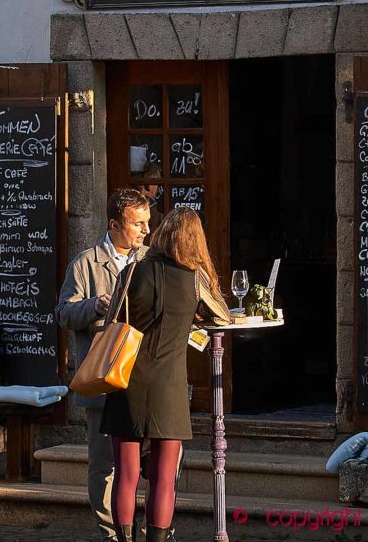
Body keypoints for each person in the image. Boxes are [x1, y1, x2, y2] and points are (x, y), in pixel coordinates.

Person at [102, 207, 230, 542]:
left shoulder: (132, 271)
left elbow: (109, 324)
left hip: (126, 379)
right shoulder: (194, 278)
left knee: (126, 475)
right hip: (169, 385)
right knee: (163, 477)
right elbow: (223, 316)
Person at [56, 188, 151, 542]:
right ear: (114, 224)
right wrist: (95, 306)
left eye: (147, 223)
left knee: (150, 460)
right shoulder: (85, 263)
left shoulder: (150, 260)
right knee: (104, 465)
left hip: (142, 378)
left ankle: (151, 528)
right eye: (137, 224)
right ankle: (113, 534)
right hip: (103, 377)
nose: (145, 231)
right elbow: (63, 313)